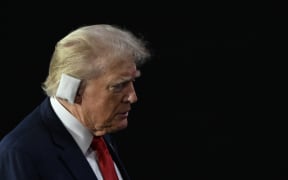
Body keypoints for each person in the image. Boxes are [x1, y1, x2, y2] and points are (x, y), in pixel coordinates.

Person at [0, 24, 151, 180]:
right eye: (118, 86)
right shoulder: (20, 154)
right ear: (74, 90)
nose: (133, 97)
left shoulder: (98, 126)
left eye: (132, 81)